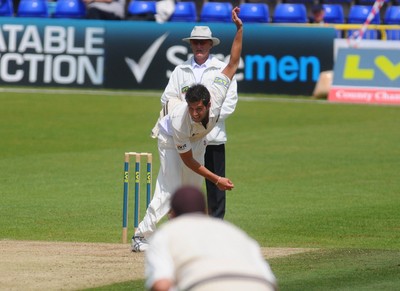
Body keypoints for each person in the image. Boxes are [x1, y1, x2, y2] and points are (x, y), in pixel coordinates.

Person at [132, 6, 243, 252]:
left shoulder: (217, 89)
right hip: (171, 137)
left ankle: (188, 237)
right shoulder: (182, 120)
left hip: (202, 138)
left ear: (208, 104)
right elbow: (189, 161)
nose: (195, 112)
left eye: (198, 109)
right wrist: (216, 179)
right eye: (191, 108)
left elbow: (233, 61)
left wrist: (240, 29)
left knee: (192, 191)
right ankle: (142, 235)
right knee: (170, 187)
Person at [159, 23, 239, 219]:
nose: (199, 46)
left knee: (216, 187)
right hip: (187, 138)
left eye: (203, 42)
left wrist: (206, 122)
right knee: (185, 187)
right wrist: (191, 121)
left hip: (214, 137)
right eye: (195, 42)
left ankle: (216, 229)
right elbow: (167, 99)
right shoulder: (181, 70)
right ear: (191, 44)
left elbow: (229, 101)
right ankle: (184, 227)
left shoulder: (220, 68)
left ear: (210, 44)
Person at [145, 185, 278, 291]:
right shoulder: (233, 231)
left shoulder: (166, 233)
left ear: (172, 215)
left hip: (205, 285)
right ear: (205, 211)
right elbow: (269, 280)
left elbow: (161, 286)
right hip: (259, 285)